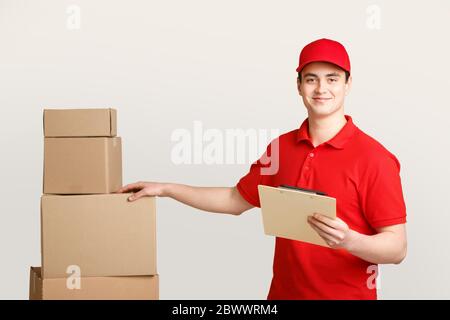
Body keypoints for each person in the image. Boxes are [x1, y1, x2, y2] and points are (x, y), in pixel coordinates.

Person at [117, 38, 407, 300]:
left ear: (348, 84)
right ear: (298, 86)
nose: (321, 89)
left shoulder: (374, 158)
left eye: (332, 79)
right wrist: (167, 189)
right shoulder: (281, 149)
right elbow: (234, 200)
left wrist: (349, 240)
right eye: (311, 79)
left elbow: (397, 248)